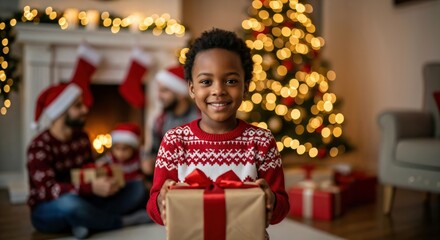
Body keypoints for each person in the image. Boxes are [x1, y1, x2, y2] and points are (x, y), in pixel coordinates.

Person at [146, 28, 290, 238]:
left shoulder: (261, 141)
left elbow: (281, 208)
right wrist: (162, 201)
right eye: (206, 81)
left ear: (245, 87)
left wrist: (271, 200)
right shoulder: (175, 141)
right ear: (192, 88)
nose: (218, 90)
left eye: (231, 81)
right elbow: (153, 206)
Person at [27, 83, 150, 239]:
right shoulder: (39, 146)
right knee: (70, 204)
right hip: (48, 208)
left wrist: (105, 180)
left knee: (137, 188)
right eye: (78, 106)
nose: (85, 110)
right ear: (60, 112)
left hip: (87, 199)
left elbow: (89, 170)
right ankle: (122, 222)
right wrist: (91, 188)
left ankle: (84, 222)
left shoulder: (82, 138)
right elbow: (47, 191)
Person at [142, 65, 199, 180]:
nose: (159, 96)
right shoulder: (160, 121)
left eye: (164, 91)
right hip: (167, 178)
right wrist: (148, 160)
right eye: (159, 90)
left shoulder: (200, 117)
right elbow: (153, 150)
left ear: (180, 93)